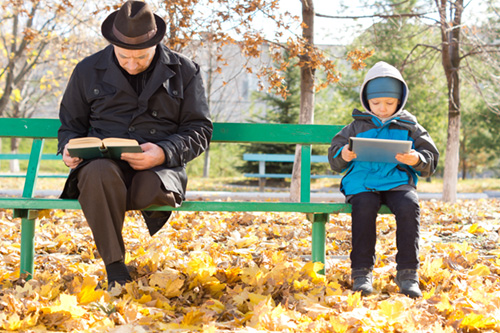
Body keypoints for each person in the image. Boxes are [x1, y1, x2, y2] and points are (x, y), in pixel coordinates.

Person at [58, 1, 213, 290]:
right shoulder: (86, 70)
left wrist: (164, 152)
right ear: (113, 44)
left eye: (140, 57)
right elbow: (71, 126)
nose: (131, 64)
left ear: (155, 44)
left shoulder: (185, 71)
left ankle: (104, 197)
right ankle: (115, 267)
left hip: (158, 172)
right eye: (124, 57)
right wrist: (68, 147)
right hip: (102, 166)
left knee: (146, 188)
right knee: (97, 174)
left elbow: (200, 129)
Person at [328, 61, 439, 298]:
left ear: (400, 100)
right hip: (363, 182)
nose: (382, 108)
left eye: (389, 103)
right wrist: (343, 154)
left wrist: (416, 159)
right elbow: (335, 156)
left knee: (409, 206)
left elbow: (431, 159)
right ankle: (361, 273)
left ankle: (408, 273)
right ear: (366, 101)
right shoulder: (356, 126)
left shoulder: (410, 126)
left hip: (397, 181)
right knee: (364, 207)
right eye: (376, 103)